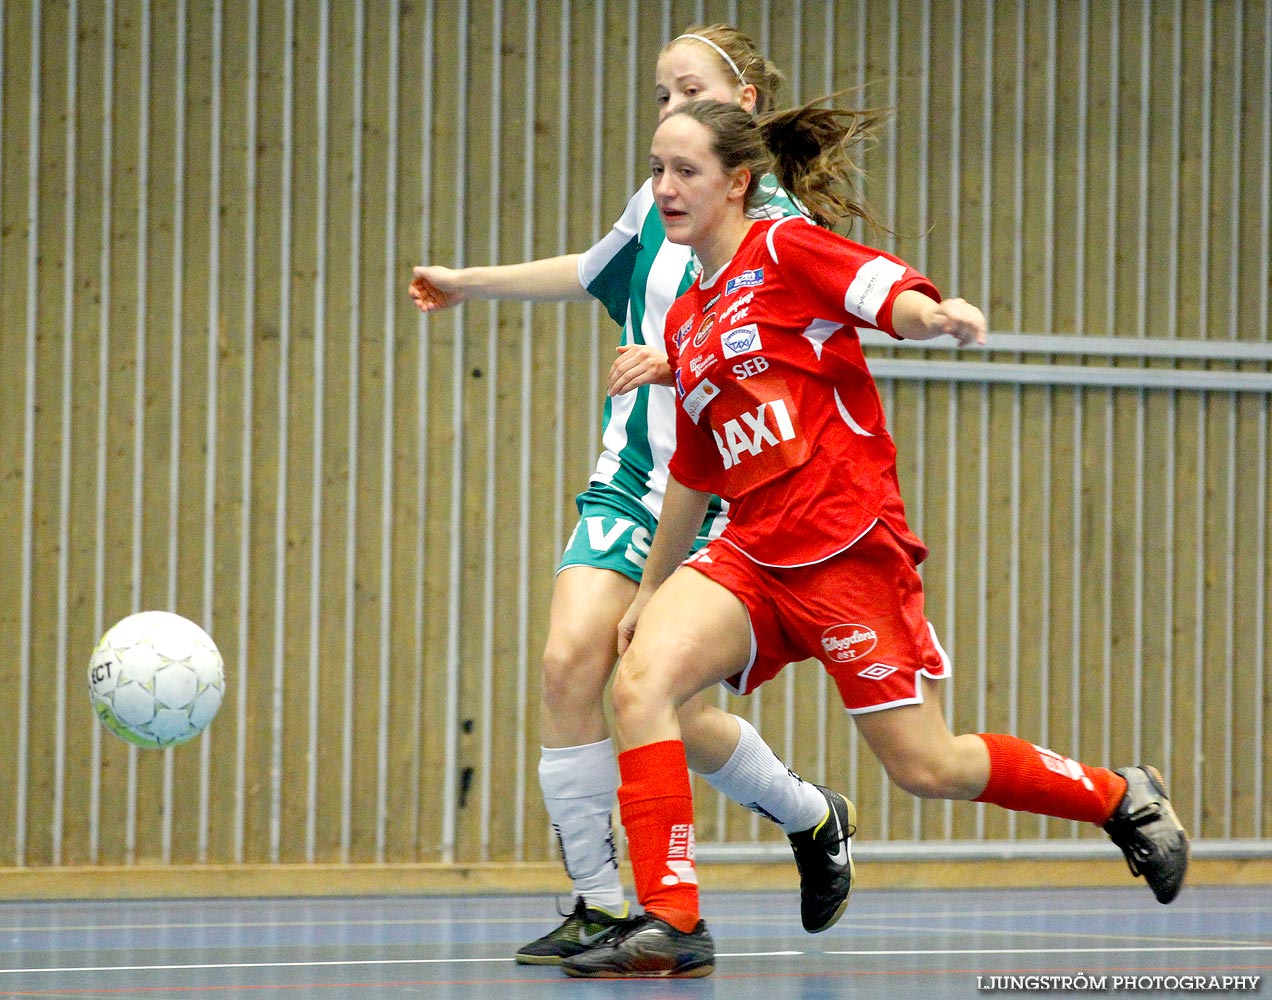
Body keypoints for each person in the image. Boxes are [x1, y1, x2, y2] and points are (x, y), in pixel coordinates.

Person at [558, 98, 1191, 980]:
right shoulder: (688, 320)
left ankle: (1120, 796)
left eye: (686, 171)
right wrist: (655, 589)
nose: (665, 188)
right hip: (749, 551)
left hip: (846, 549)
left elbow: (883, 289)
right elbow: (696, 474)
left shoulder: (784, 249)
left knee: (928, 767)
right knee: (639, 681)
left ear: (738, 183)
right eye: (657, 170)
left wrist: (936, 314)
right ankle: (673, 918)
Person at [408, 27, 857, 964]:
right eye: (658, 96)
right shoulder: (660, 198)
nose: (665, 113)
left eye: (684, 90)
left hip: (723, 497)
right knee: (569, 664)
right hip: (628, 483)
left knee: (669, 710)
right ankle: (601, 903)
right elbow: (586, 272)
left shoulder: (780, 236)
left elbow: (791, 358)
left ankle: (812, 818)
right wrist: (466, 282)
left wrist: (681, 359)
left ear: (740, 98)